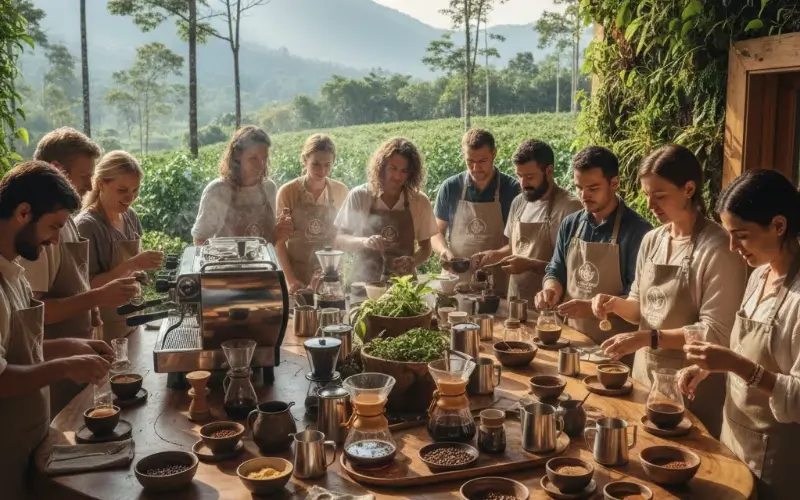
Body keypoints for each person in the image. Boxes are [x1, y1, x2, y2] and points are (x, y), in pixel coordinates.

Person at [591, 145, 746, 437]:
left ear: (689, 188)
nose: (651, 205)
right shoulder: (652, 240)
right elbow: (640, 307)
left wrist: (648, 337)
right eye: (647, 196)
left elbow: (716, 332)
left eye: (660, 196)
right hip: (644, 376)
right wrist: (614, 304)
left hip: (689, 386)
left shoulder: (719, 249)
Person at [678, 169, 800, 499]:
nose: (732, 247)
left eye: (741, 235)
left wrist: (736, 365)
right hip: (732, 435)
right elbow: (743, 350)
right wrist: (707, 366)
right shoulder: (759, 276)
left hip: (778, 457)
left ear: (779, 225)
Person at [0, 161, 111, 500]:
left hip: (27, 437)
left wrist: (72, 345)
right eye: (53, 226)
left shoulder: (13, 270)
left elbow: (19, 352)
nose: (54, 240)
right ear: (23, 212)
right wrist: (64, 367)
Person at [20, 128, 139, 415]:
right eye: (86, 176)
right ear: (55, 170)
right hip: (55, 373)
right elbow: (36, 316)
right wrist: (95, 297)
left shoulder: (68, 222)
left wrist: (92, 312)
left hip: (79, 357)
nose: (90, 186)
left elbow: (76, 284)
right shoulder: (39, 234)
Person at [534, 146, 652, 346]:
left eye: (593, 188)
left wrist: (592, 308)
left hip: (615, 345)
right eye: (579, 187)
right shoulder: (570, 224)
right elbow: (556, 269)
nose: (584, 195)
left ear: (614, 183)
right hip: (570, 337)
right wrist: (550, 289)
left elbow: (641, 299)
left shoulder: (638, 232)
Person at [473, 139, 581, 301]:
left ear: (549, 170)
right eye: (519, 176)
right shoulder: (519, 202)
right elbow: (514, 247)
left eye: (530, 176)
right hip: (516, 300)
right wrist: (493, 255)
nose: (523, 183)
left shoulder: (571, 208)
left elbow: (575, 268)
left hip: (550, 306)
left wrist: (531, 265)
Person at [76, 151, 163, 341]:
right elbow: (86, 288)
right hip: (103, 328)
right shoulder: (87, 225)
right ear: (101, 184)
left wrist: (140, 274)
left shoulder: (130, 216)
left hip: (132, 318)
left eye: (135, 190)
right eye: (122, 190)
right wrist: (132, 264)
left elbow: (131, 269)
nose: (131, 197)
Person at [334, 138, 438, 283]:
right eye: (393, 168)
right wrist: (365, 242)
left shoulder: (419, 201)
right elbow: (339, 240)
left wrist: (412, 261)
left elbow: (426, 248)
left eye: (404, 171)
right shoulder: (360, 195)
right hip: (364, 282)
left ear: (411, 173)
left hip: (404, 285)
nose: (397, 176)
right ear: (381, 166)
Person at [430, 129, 520, 295]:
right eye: (470, 161)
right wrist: (443, 251)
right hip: (456, 278)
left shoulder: (512, 189)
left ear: (494, 154)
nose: (476, 167)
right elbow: (435, 232)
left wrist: (497, 254)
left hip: (496, 281)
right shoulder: (450, 187)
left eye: (482, 161)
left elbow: (520, 242)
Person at [192, 125, 292, 245]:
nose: (260, 165)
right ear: (237, 156)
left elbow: (271, 241)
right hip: (226, 263)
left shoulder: (269, 188)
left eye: (264, 158)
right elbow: (200, 239)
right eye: (253, 158)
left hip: (264, 263)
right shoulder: (218, 191)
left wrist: (280, 232)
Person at [275, 134, 349, 293]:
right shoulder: (288, 192)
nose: (322, 170)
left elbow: (343, 235)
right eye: (315, 164)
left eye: (327, 164)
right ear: (304, 160)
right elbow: (279, 242)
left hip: (332, 279)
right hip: (298, 278)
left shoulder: (340, 191)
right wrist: (291, 280)